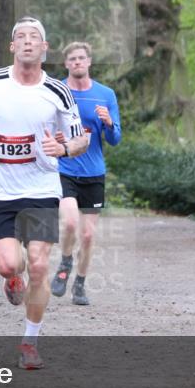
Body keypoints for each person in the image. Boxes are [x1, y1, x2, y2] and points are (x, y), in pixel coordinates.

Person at [0, 17, 89, 370]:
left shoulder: (58, 92)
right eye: (21, 37)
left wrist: (63, 150)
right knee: (9, 265)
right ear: (12, 47)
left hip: (41, 189)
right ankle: (12, 279)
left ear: (45, 49)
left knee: (39, 263)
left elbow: (82, 139)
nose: (28, 42)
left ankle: (30, 342)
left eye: (35, 38)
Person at [50, 42, 122, 306]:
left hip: (94, 172)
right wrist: (54, 138)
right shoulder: (57, 90)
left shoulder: (105, 94)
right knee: (69, 223)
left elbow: (115, 139)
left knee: (89, 235)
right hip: (64, 169)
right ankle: (66, 261)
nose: (78, 62)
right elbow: (45, 125)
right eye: (72, 59)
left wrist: (109, 123)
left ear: (89, 62)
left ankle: (79, 284)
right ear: (66, 64)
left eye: (82, 58)